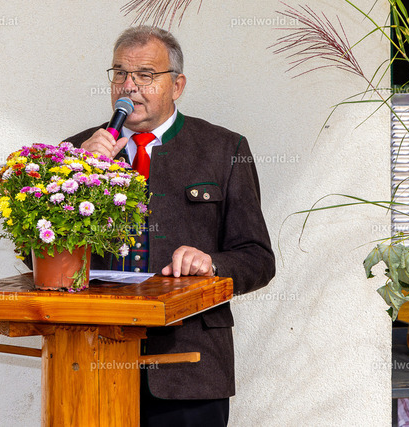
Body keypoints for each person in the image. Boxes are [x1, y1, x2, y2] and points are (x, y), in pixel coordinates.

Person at [65, 26, 275, 427]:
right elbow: (39, 257)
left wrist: (211, 263)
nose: (129, 86)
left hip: (190, 370)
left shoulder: (224, 149)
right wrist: (79, 172)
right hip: (90, 361)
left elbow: (258, 259)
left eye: (145, 75)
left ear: (176, 85)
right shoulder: (75, 152)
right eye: (120, 73)